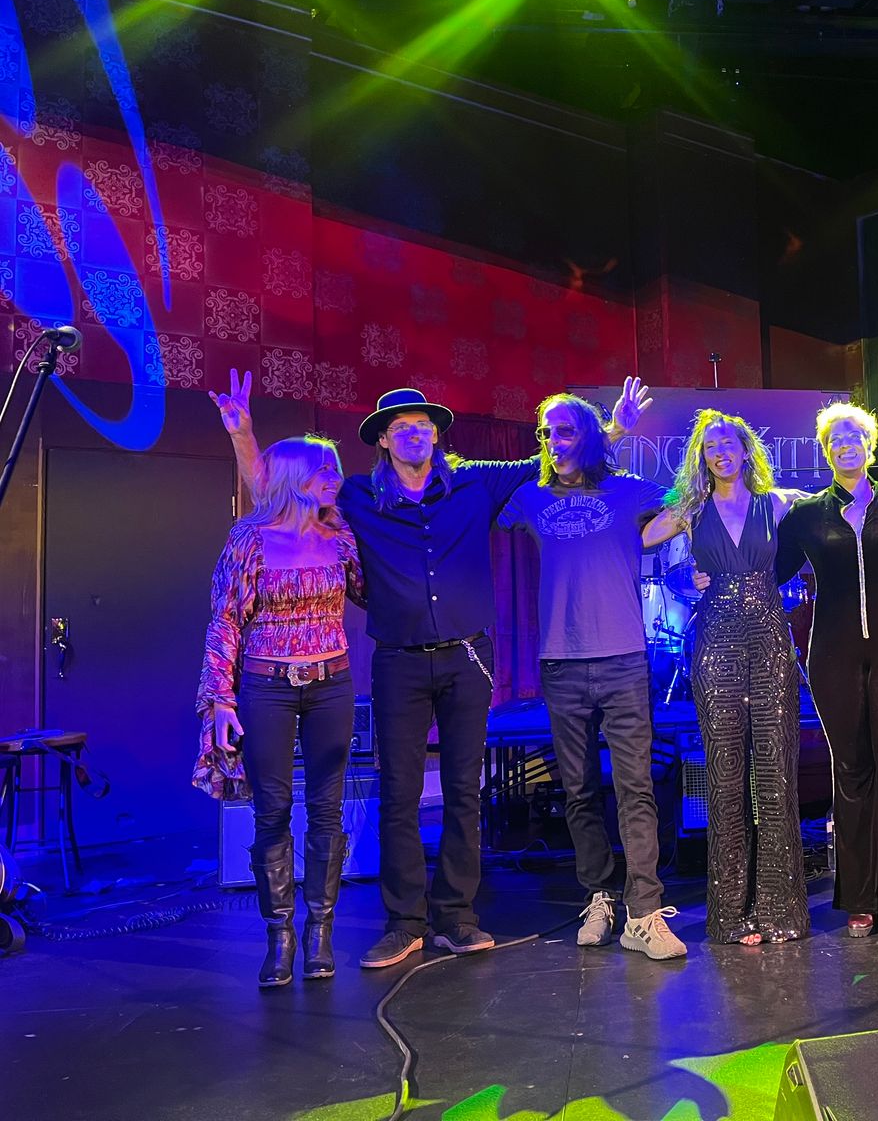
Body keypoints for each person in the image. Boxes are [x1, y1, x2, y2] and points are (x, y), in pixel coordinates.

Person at [211, 370, 652, 968]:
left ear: (437, 435)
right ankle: (405, 922)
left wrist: (615, 430)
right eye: (402, 427)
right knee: (400, 794)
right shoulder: (357, 496)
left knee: (465, 791)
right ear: (384, 440)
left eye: (423, 424)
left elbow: (551, 460)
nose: (415, 433)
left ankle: (456, 916)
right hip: (399, 661)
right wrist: (242, 435)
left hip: (467, 657)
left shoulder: (473, 483)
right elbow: (274, 492)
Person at [497, 392, 688, 960]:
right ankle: (599, 894)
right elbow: (486, 509)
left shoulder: (628, 490)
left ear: (588, 434)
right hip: (561, 663)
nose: (553, 442)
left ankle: (644, 912)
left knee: (635, 787)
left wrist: (615, 436)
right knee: (578, 790)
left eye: (565, 431)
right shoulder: (531, 496)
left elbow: (687, 502)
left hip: (623, 659)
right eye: (546, 432)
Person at [193, 434, 364, 988]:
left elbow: (371, 592)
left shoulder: (341, 536)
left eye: (336, 469)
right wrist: (220, 698)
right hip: (266, 685)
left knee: (327, 810)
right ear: (293, 477)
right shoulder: (249, 539)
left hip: (331, 682)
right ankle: (280, 935)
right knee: (271, 811)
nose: (335, 478)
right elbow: (225, 621)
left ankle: (320, 933)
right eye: (324, 470)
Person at [775, 402, 878, 938]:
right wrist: (711, 573)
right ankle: (859, 897)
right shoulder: (806, 515)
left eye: (854, 437)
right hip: (833, 651)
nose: (845, 445)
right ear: (826, 451)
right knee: (850, 768)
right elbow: (768, 570)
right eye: (835, 439)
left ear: (870, 446)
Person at [642, 410, 809, 946]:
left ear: (745, 449)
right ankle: (731, 914)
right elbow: (642, 539)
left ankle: (779, 909)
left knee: (776, 775)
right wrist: (682, 575)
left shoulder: (776, 502)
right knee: (726, 775)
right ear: (702, 457)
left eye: (728, 443)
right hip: (716, 644)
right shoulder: (692, 509)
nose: (720, 453)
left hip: (770, 642)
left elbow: (833, 515)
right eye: (710, 446)